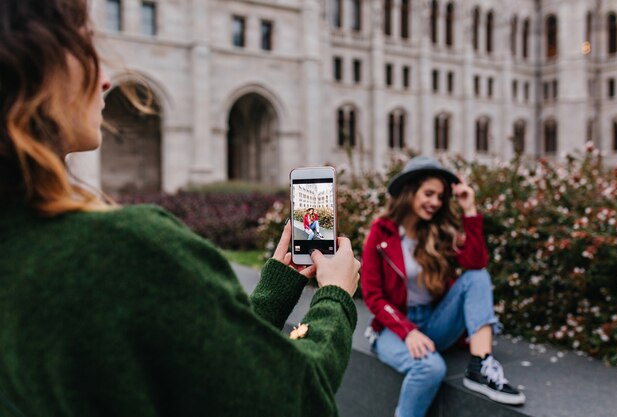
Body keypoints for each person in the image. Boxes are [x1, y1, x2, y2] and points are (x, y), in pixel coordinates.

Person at [0, 1, 361, 416]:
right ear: (34, 69)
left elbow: (211, 373)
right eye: (87, 51)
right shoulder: (126, 250)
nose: (105, 79)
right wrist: (335, 296)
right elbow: (296, 399)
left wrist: (276, 289)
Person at [361, 156, 525, 417]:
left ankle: (480, 365)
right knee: (430, 368)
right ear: (409, 192)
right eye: (429, 194)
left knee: (477, 276)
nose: (435, 203)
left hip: (436, 321)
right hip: (393, 328)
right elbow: (373, 296)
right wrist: (408, 332)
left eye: (440, 197)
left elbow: (475, 262)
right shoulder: (381, 233)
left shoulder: (437, 231)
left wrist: (469, 210)